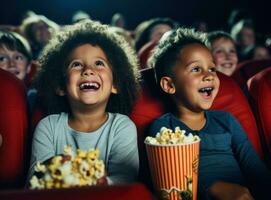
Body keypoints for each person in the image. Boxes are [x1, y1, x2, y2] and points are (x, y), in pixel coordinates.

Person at [148, 27, 271, 199]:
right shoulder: (163, 128)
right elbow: (170, 181)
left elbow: (256, 171)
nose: (209, 76)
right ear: (169, 85)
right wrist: (211, 188)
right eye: (196, 69)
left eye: (212, 69)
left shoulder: (226, 120)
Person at [28, 20, 140, 185]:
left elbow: (125, 180)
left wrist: (99, 181)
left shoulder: (122, 126)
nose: (88, 70)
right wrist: (57, 168)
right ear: (60, 86)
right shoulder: (48, 127)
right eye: (77, 64)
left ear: (115, 85)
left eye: (99, 63)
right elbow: (34, 180)